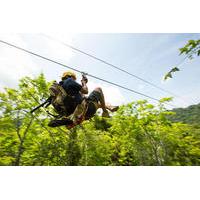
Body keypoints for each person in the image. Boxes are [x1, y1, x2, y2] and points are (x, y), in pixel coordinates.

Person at [48, 71, 119, 128]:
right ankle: (105, 111)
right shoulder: (69, 81)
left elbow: (79, 96)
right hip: (87, 109)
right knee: (98, 89)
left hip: (78, 114)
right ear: (70, 76)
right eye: (74, 78)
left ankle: (110, 107)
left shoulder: (60, 90)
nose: (74, 80)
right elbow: (85, 91)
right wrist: (84, 83)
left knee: (96, 103)